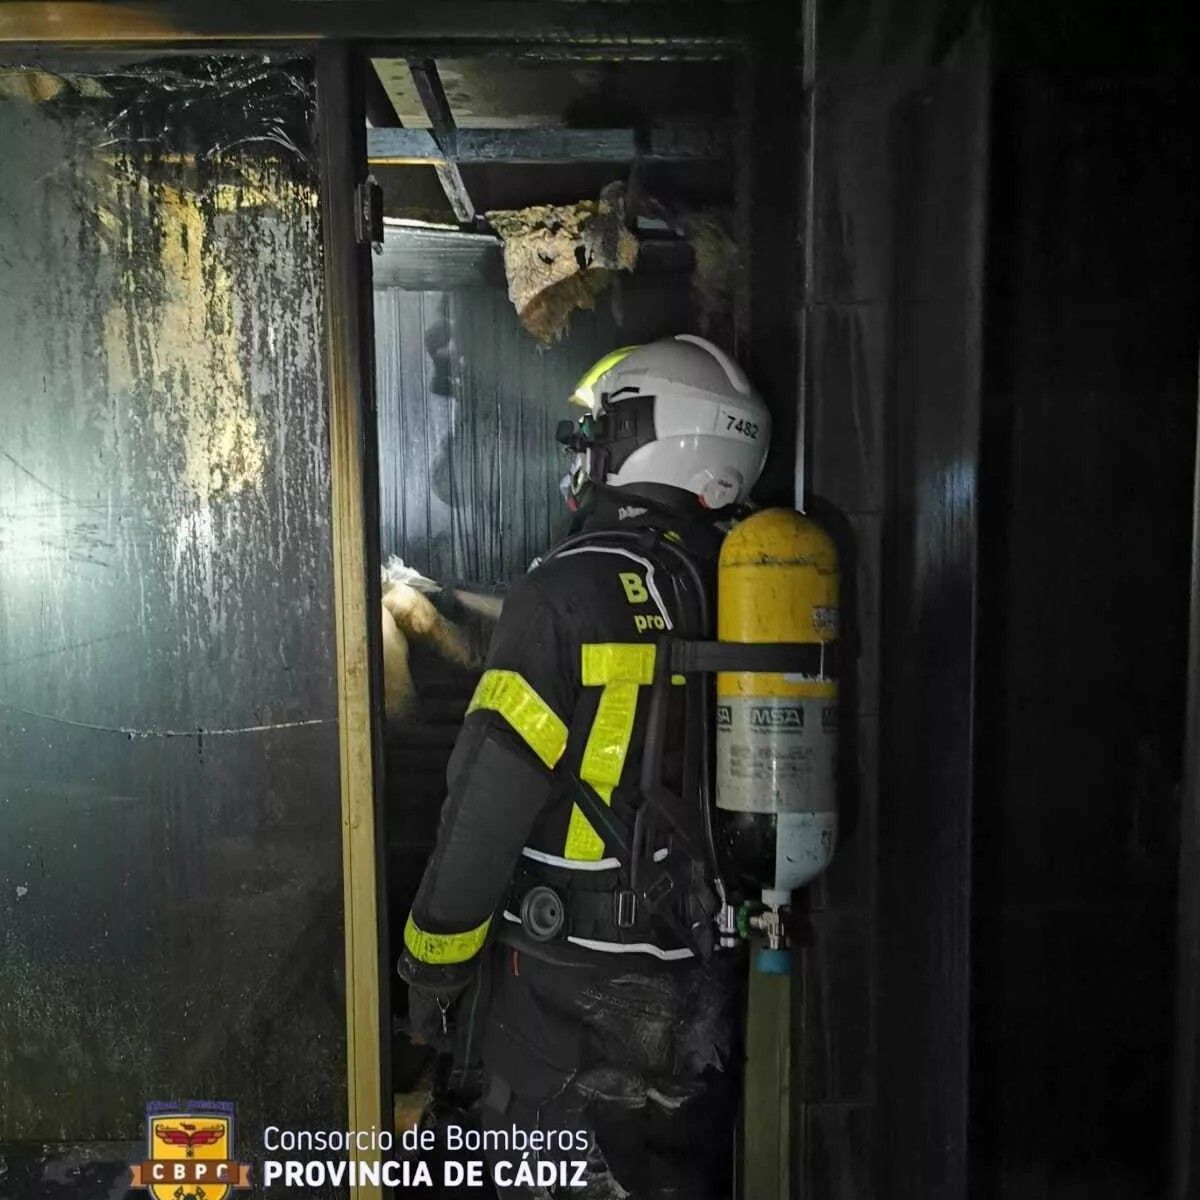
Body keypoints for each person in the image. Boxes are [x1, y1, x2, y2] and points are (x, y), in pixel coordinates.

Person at [397, 334, 772, 1198]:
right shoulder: (729, 578)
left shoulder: (566, 592)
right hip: (698, 983)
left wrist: (431, 971)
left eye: (602, 432)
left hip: (567, 997)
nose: (587, 453)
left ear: (655, 434)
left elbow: (486, 801)